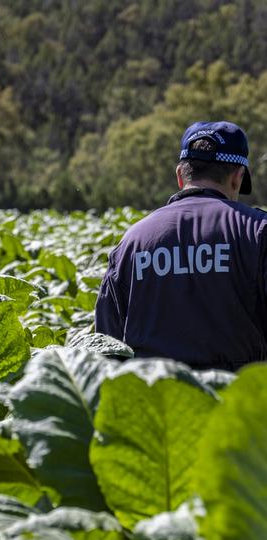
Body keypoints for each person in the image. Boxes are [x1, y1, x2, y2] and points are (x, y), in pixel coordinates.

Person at [95, 121, 267, 370]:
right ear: (237, 178)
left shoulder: (132, 242)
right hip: (237, 404)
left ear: (180, 175)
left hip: (156, 402)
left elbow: (106, 345)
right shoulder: (258, 231)